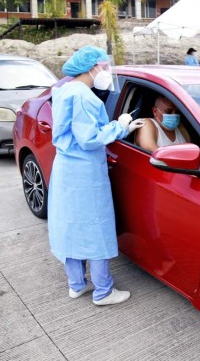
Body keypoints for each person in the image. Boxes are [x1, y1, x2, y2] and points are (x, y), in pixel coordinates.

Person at [47, 46, 144, 306]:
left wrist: (119, 129)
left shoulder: (66, 90)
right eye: (102, 67)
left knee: (71, 226)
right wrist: (120, 126)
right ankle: (103, 291)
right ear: (90, 68)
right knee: (94, 227)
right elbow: (89, 138)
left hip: (67, 167)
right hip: (84, 171)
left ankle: (76, 284)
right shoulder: (83, 97)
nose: (105, 71)